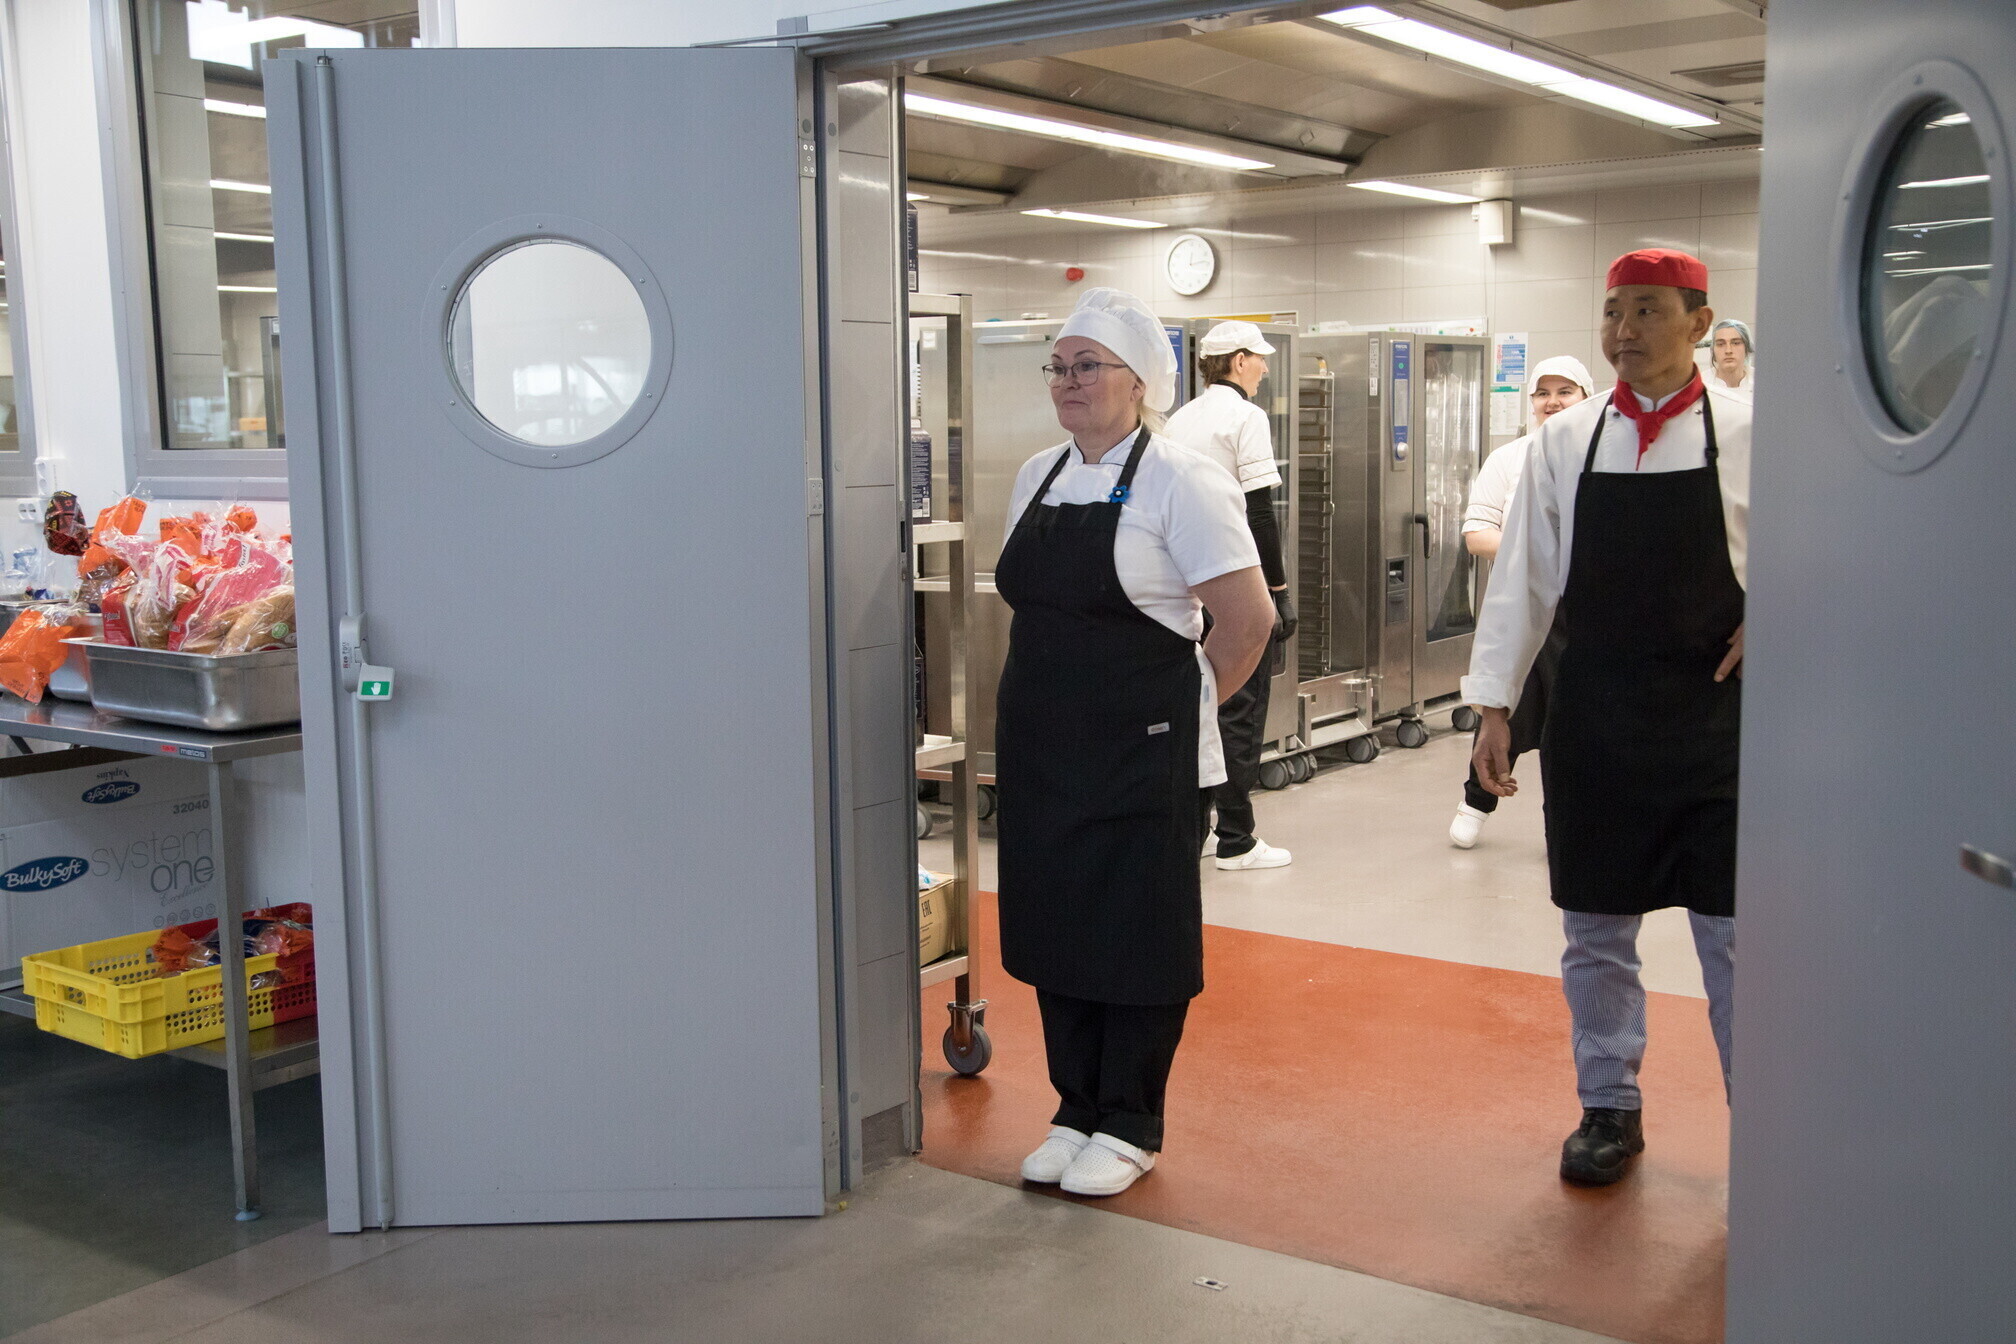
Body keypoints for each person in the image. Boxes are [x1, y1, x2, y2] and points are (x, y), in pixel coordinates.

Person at [1463, 249, 1748, 1187]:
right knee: (1594, 931)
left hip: (1721, 721)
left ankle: (1766, 1123)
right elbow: (1522, 579)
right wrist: (1495, 706)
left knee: (1735, 934)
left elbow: (1824, 548)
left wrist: (1779, 611)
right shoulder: (1567, 440)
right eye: (1613, 311)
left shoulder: (1755, 431)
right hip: (1597, 717)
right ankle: (1608, 1105)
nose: (1624, 331)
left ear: (1698, 323)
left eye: (1648, 311)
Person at [995, 288, 1275, 1198]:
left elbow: (1247, 624)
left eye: (1089, 366)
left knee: (1136, 933)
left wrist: (1176, 717)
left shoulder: (1182, 479)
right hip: (1043, 749)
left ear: (1140, 381)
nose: (1068, 381)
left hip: (1142, 756)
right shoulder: (1037, 475)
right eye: (1059, 366)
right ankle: (1076, 1107)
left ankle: (1130, 1121)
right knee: (1058, 924)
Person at [1448, 355, 1596, 850]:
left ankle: (1565, 823)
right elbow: (1476, 534)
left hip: (1584, 615)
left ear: (1587, 396)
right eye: (1542, 393)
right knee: (1504, 705)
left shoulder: (1603, 455)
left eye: (1565, 392)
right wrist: (1537, 554)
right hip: (1523, 609)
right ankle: (1476, 800)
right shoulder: (1509, 459)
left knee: (1570, 722)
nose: (1553, 402)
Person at [1163, 320, 1295, 871]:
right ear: (1239, 361)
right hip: (1235, 584)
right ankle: (1237, 838)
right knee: (1242, 706)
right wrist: (1278, 591)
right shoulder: (1246, 416)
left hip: (1187, 585)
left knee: (1201, 706)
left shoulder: (1180, 418)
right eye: (1259, 359)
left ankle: (1202, 827)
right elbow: (1259, 512)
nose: (1264, 368)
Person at [1708, 318, 1755, 397]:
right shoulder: (1702, 385)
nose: (1728, 350)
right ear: (1713, 350)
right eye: (1720, 344)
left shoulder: (1762, 383)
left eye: (1736, 343)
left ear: (1747, 348)